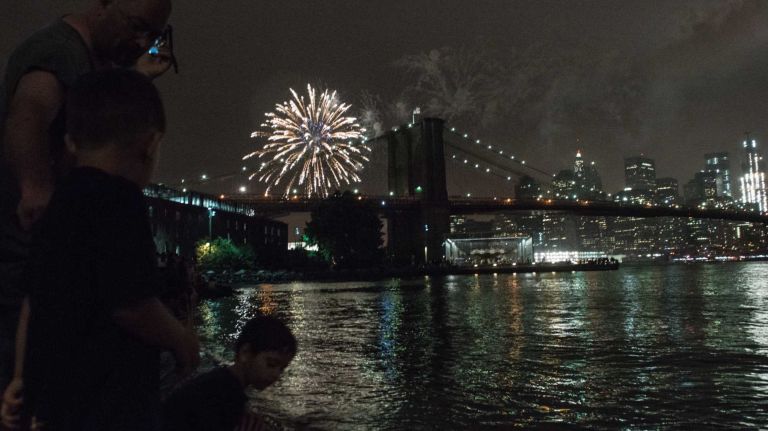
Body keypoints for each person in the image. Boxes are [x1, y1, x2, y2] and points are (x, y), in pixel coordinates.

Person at [0, 0, 174, 407]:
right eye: (136, 26)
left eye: (153, 35)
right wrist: (35, 188)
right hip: (20, 254)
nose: (141, 41)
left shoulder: (85, 62)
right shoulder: (57, 51)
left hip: (33, 268)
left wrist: (134, 76)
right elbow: (29, 111)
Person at [6, 70, 198, 430]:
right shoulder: (121, 201)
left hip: (51, 404)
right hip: (108, 405)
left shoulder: (57, 205)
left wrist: (19, 377)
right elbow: (132, 305)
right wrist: (181, 338)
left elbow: (32, 303)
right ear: (151, 145)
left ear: (71, 143)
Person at [163, 315, 297, 431]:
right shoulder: (227, 396)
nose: (276, 374)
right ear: (245, 353)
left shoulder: (219, 381)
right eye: (271, 364)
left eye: (282, 368)